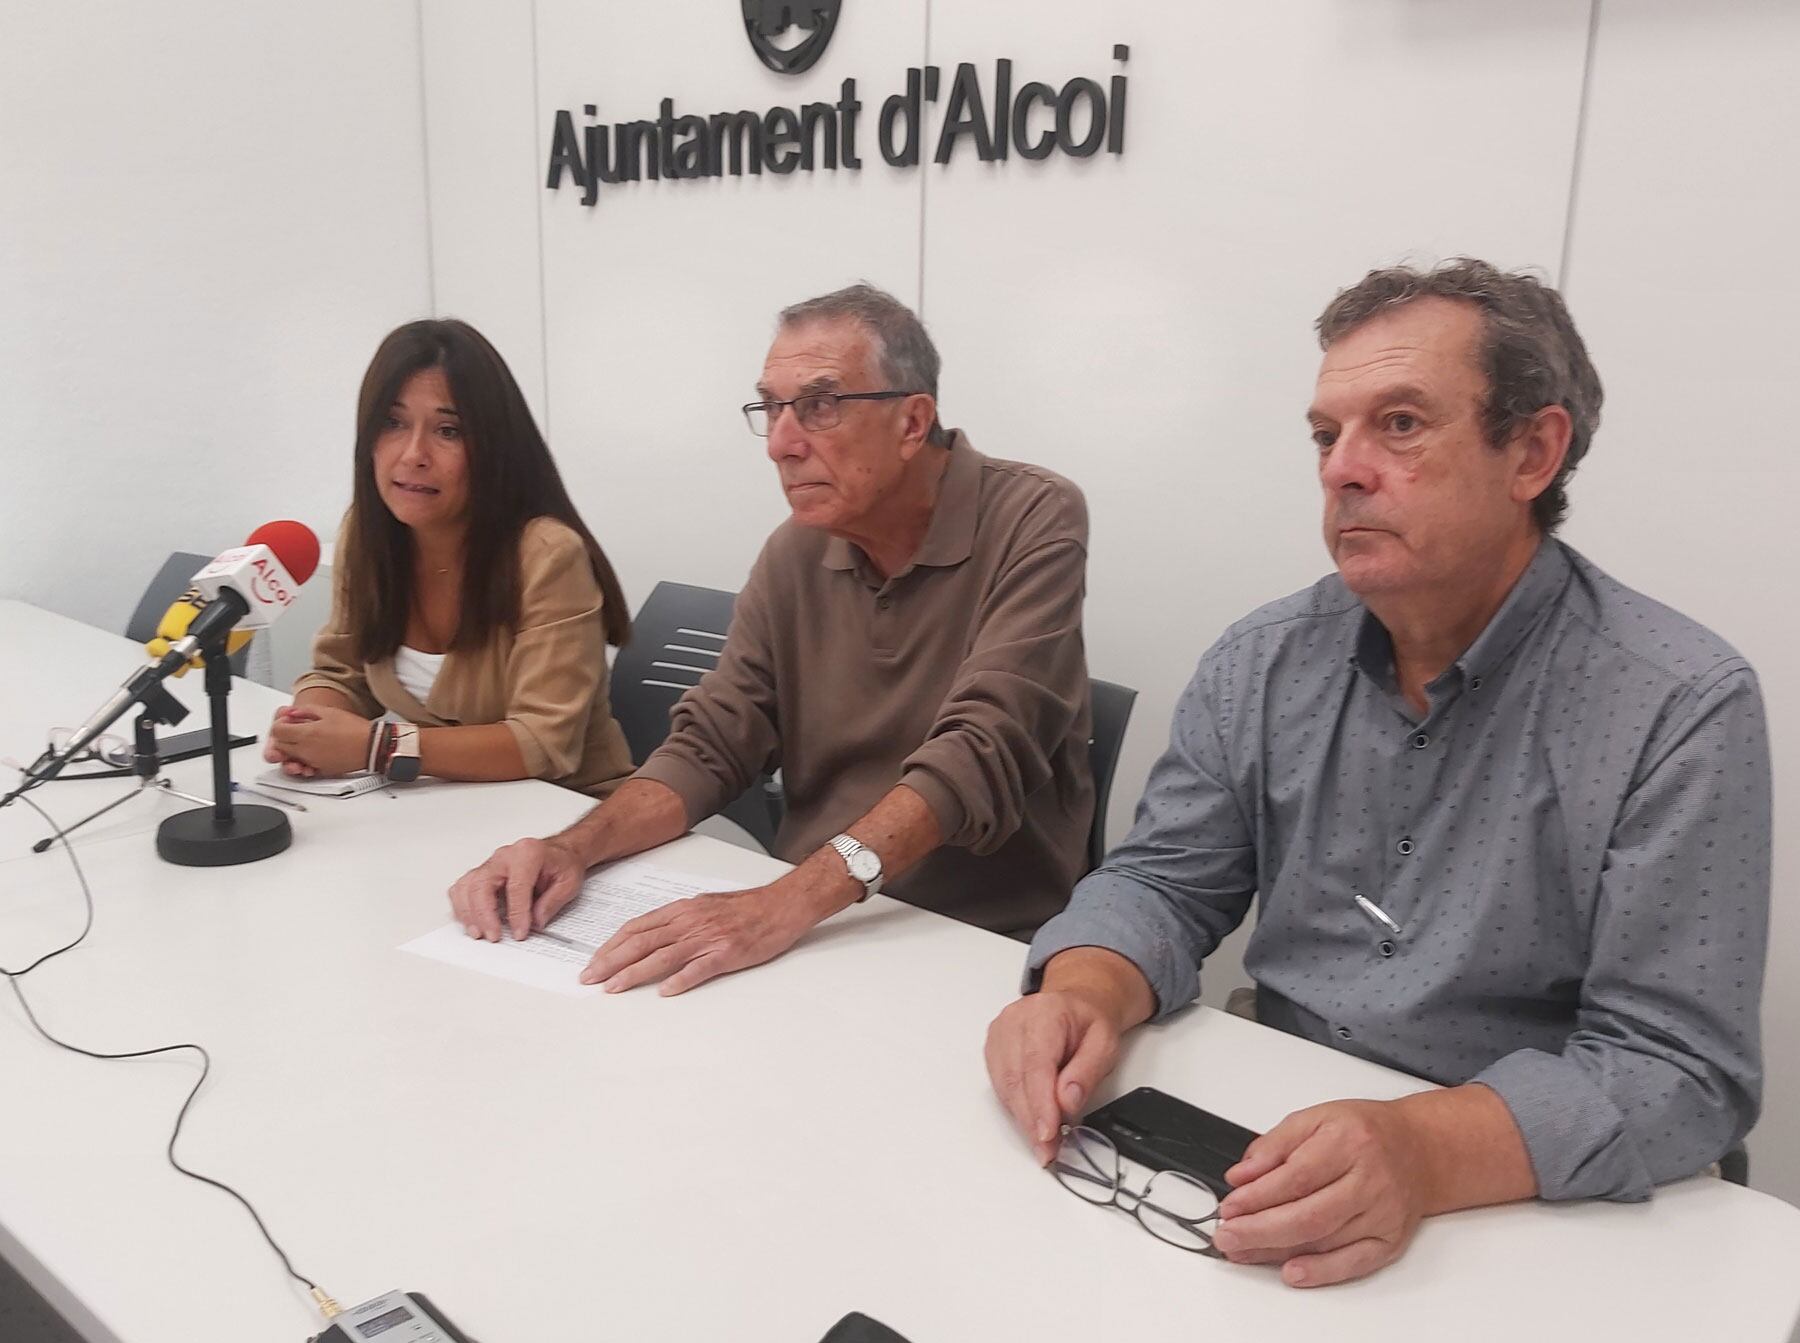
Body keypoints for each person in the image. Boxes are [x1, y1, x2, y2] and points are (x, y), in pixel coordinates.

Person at [985, 259, 1770, 1288]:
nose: (1342, 468)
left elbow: (1677, 1063)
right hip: (1275, 1139)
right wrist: (1083, 986)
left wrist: (1424, 1146)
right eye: (1326, 433)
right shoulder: (1263, 656)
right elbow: (1163, 883)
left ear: (1533, 450)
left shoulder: (1677, 701)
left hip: (1529, 1207)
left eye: (1399, 423)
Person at [449, 283, 1094, 991]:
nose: (782, 445)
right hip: (820, 924)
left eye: (820, 406)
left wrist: (785, 902)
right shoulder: (796, 551)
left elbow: (979, 751)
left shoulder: (1034, 515)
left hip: (971, 943)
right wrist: (570, 848)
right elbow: (715, 743)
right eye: (773, 408)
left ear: (913, 422)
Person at [267, 318, 635, 797]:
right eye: (393, 423)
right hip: (447, 809)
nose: (414, 454)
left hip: (570, 813)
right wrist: (308, 726)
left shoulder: (547, 555)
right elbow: (342, 672)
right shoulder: (368, 532)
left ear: (492, 447)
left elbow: (543, 744)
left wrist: (377, 748)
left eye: (448, 430)